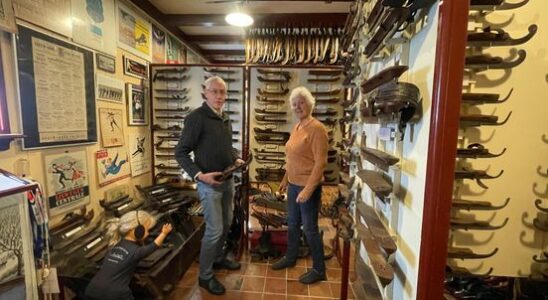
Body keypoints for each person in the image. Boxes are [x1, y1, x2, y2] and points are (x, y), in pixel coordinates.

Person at [175, 76, 244, 296]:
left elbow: (226, 147)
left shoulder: (225, 119)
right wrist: (199, 176)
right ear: (205, 93)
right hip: (209, 185)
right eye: (215, 91)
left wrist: (235, 158)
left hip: (227, 181)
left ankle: (218, 258)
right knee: (214, 231)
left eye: (223, 92)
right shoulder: (196, 118)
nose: (220, 96)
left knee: (226, 223)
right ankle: (205, 277)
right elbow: (181, 152)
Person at [271, 86, 329, 284]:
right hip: (294, 185)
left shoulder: (317, 129)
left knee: (310, 229)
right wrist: (285, 179)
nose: (298, 107)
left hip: (308, 188)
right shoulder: (297, 127)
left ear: (309, 103)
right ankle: (290, 256)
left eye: (301, 102)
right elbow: (294, 158)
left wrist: (308, 189)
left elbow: (320, 163)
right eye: (294, 104)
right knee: (293, 224)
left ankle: (319, 269)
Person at [84, 210, 173, 300]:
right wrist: (164, 233)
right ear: (137, 230)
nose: (148, 233)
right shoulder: (135, 251)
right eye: (146, 229)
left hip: (91, 290)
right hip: (116, 295)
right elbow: (153, 246)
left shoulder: (115, 245)